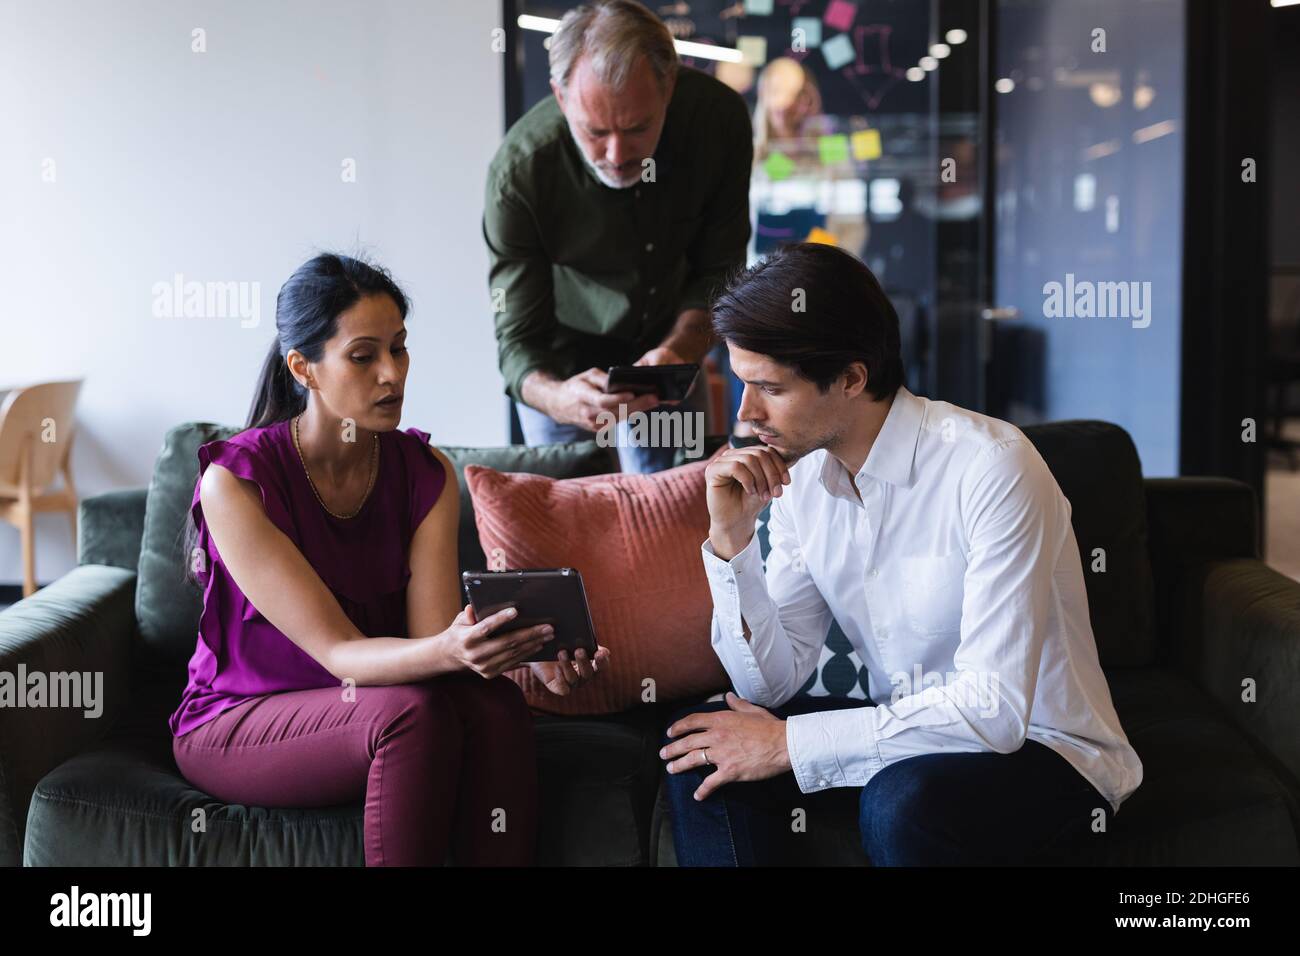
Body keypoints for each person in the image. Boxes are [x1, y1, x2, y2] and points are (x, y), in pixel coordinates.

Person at [660, 242, 1143, 865]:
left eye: (769, 389)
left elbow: (992, 710)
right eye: (742, 384)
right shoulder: (806, 479)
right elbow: (771, 681)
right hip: (913, 732)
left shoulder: (992, 465)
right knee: (700, 742)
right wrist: (731, 543)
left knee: (901, 798)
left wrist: (789, 745)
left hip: (1045, 749)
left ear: (852, 378)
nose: (746, 415)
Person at [169, 253, 610, 867]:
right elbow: (338, 653)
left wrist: (525, 663)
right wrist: (450, 651)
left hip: (370, 705)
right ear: (304, 368)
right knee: (411, 714)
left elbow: (431, 644)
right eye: (363, 355)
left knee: (494, 705)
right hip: (239, 720)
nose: (391, 374)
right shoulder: (237, 482)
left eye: (399, 349)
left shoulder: (425, 473)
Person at [483, 0, 752, 472]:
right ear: (560, 96)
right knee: (568, 524)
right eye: (595, 131)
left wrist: (677, 353)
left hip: (673, 358)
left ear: (668, 87)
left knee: (681, 514)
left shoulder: (718, 122)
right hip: (565, 369)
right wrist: (556, 396)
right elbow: (517, 339)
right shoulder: (521, 173)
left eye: (637, 127)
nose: (617, 153)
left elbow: (720, 274)